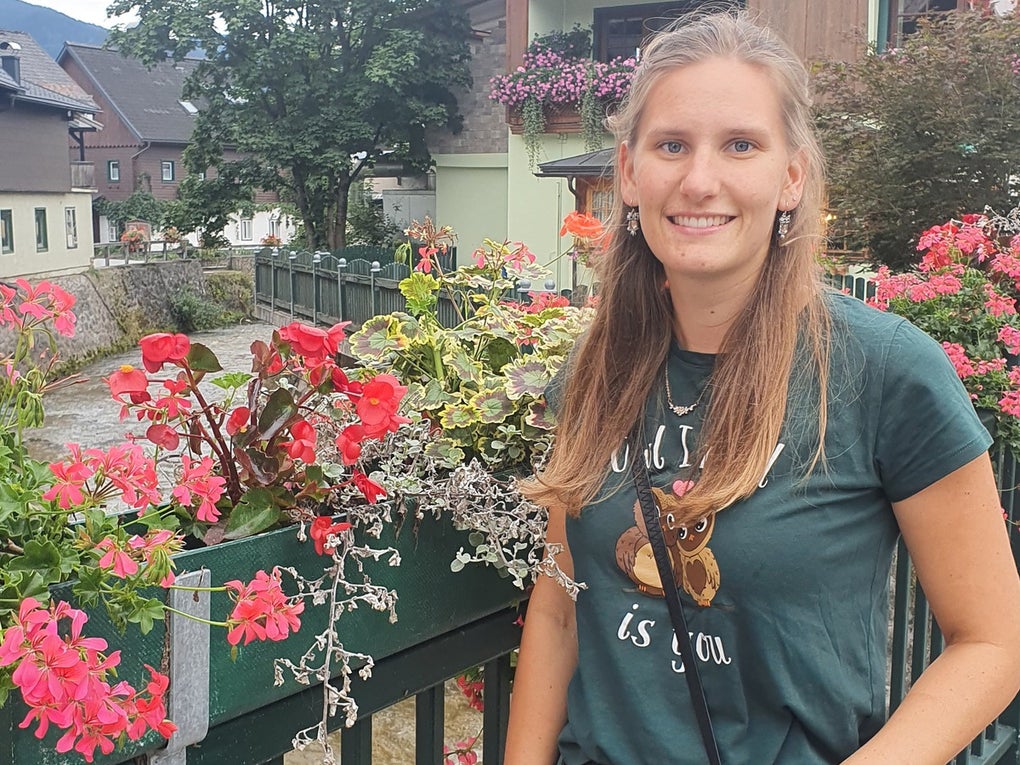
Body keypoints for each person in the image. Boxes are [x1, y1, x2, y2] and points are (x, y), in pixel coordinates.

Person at [505, 11, 1020, 765]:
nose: (699, 179)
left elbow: (994, 638)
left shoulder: (883, 371)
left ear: (790, 176)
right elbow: (558, 608)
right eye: (671, 145)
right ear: (628, 172)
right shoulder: (594, 370)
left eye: (740, 145)